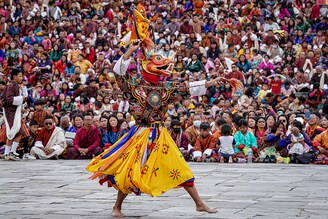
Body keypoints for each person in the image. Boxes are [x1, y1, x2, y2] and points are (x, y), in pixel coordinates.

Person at [86, 40, 225, 217]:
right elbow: (118, 73)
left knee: (180, 167)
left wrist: (213, 82)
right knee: (131, 170)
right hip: (141, 133)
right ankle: (117, 207)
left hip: (160, 134)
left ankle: (199, 203)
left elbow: (187, 88)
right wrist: (130, 51)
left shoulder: (165, 88)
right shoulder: (133, 86)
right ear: (145, 66)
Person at [2, 69, 28, 161]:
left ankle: (8, 152)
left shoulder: (16, 86)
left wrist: (21, 109)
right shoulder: (11, 86)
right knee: (16, 131)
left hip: (14, 111)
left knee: (15, 131)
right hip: (10, 111)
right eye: (20, 76)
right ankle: (10, 152)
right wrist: (22, 98)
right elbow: (9, 100)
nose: (21, 78)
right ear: (14, 76)